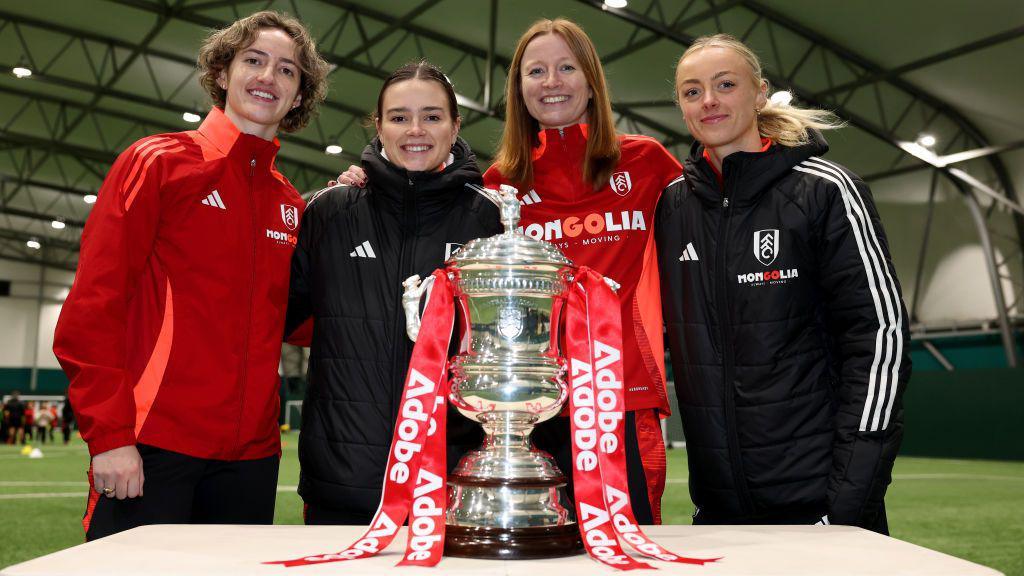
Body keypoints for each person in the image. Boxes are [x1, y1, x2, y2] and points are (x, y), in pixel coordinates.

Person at [335, 20, 681, 525]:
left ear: (591, 81)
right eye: (535, 71)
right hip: (519, 411)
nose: (552, 82)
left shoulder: (647, 163)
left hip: (617, 401)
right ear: (518, 89)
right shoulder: (502, 186)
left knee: (622, 549)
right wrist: (371, 182)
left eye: (567, 68)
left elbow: (709, 224)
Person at [52, 10, 329, 540]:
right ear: (223, 73)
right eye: (254, 60)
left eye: (287, 70)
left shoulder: (290, 204)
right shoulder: (159, 162)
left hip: (251, 459)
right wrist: (110, 436)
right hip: (152, 444)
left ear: (299, 96)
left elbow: (296, 321)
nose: (268, 77)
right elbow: (93, 304)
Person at [655, 33, 910, 533]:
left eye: (725, 84)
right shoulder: (673, 207)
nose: (708, 100)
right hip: (719, 514)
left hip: (824, 507)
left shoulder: (825, 190)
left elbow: (880, 339)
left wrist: (847, 503)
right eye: (691, 91)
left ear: (758, 93)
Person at [285, 60, 502, 525]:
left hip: (453, 485)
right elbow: (270, 318)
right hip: (343, 484)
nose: (415, 130)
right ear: (378, 125)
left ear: (455, 125)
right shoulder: (330, 213)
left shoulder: (490, 222)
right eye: (399, 117)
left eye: (432, 116)